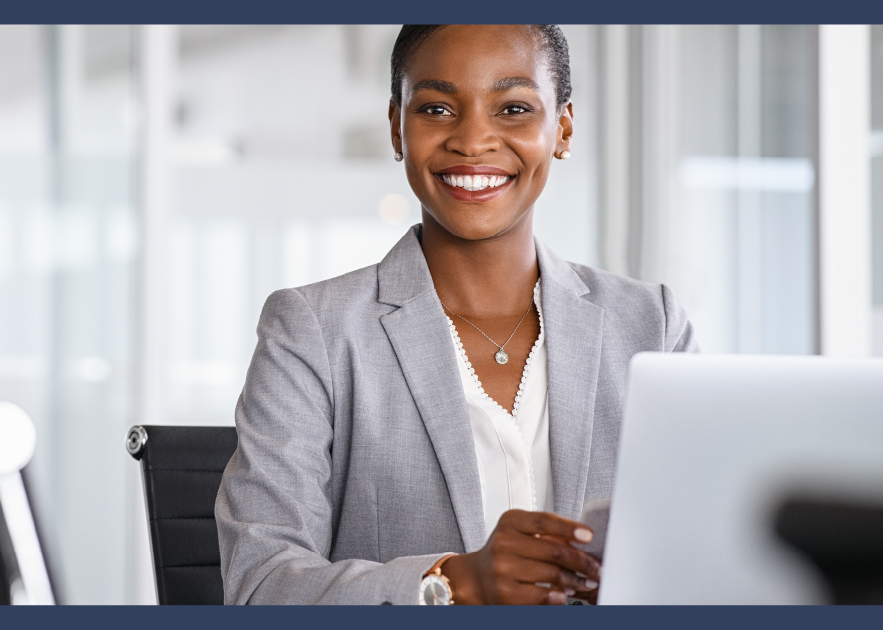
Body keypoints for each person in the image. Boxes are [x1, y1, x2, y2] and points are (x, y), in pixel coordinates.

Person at [214, 24, 698, 605]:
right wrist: (455, 581)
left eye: (514, 108)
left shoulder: (651, 326)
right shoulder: (313, 331)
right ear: (398, 127)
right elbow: (260, 584)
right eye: (438, 108)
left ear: (562, 128)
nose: (472, 140)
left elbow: (709, 551)